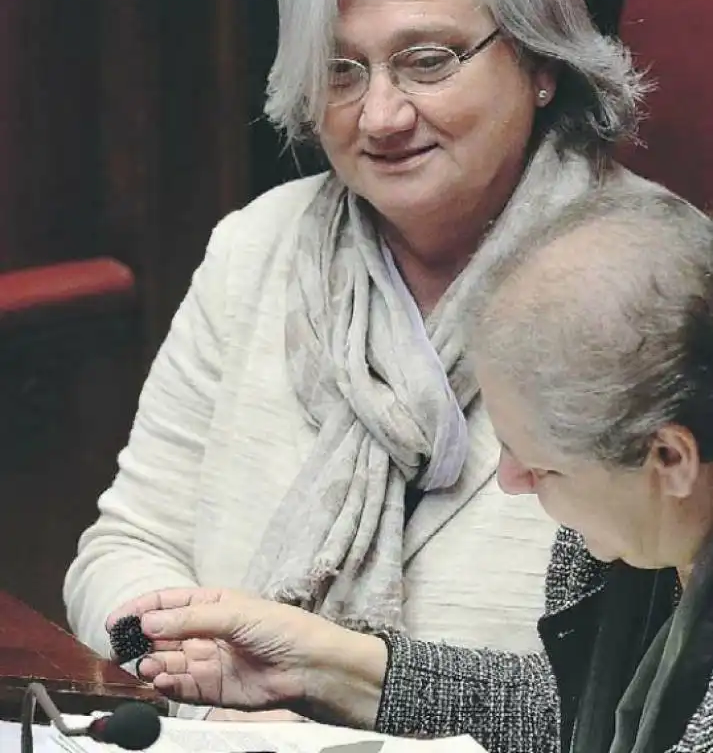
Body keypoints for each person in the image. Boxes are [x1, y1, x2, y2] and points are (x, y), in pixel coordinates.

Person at [65, 0, 649, 714]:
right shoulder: (256, 248)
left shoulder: (656, 287)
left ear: (541, 60)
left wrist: (336, 679)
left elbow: (656, 693)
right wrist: (178, 661)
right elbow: (123, 549)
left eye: (426, 62)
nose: (380, 115)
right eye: (341, 71)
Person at [110, 186, 713, 753]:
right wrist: (323, 665)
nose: (509, 480)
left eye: (542, 470)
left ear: (670, 459)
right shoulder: (631, 540)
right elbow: (577, 713)